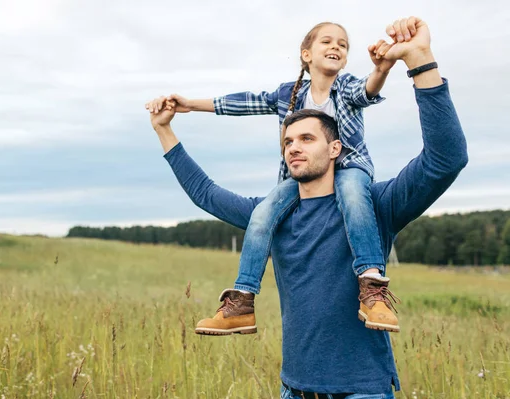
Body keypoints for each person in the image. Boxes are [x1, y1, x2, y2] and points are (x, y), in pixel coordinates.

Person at [147, 17, 468, 399]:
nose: (294, 147)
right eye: (288, 141)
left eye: (307, 138)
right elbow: (205, 192)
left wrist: (421, 61)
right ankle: (241, 303)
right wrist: (164, 130)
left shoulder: (375, 205)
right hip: (295, 390)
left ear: (335, 149)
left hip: (363, 390)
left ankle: (373, 290)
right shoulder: (272, 214)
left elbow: (445, 160)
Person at [146, 21, 407, 335]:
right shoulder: (289, 94)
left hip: (350, 168)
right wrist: (190, 106)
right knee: (262, 213)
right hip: (299, 183)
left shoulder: (346, 86)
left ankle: (371, 288)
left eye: (343, 44)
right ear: (306, 54)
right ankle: (242, 301)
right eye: (327, 41)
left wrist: (384, 68)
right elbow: (245, 103)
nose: (336, 47)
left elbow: (368, 89)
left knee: (353, 195)